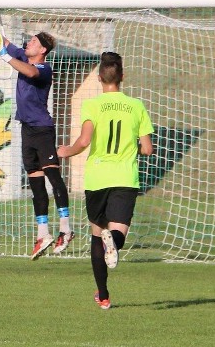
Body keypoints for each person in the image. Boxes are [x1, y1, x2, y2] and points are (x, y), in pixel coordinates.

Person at [58, 52, 153, 309]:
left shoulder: (92, 105)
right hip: (125, 177)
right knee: (116, 234)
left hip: (98, 177)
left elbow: (85, 141)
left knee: (97, 234)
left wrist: (66, 151)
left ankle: (103, 295)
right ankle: (115, 242)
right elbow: (147, 149)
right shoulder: (136, 106)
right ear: (122, 77)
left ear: (100, 78)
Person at [0, 6, 75, 259]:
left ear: (42, 50)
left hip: (43, 130)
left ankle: (66, 229)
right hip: (26, 130)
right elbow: (3, 42)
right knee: (35, 183)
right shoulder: (22, 57)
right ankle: (42, 233)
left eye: (33, 41)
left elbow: (30, 72)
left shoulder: (43, 69)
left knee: (53, 178)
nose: (28, 43)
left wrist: (7, 59)